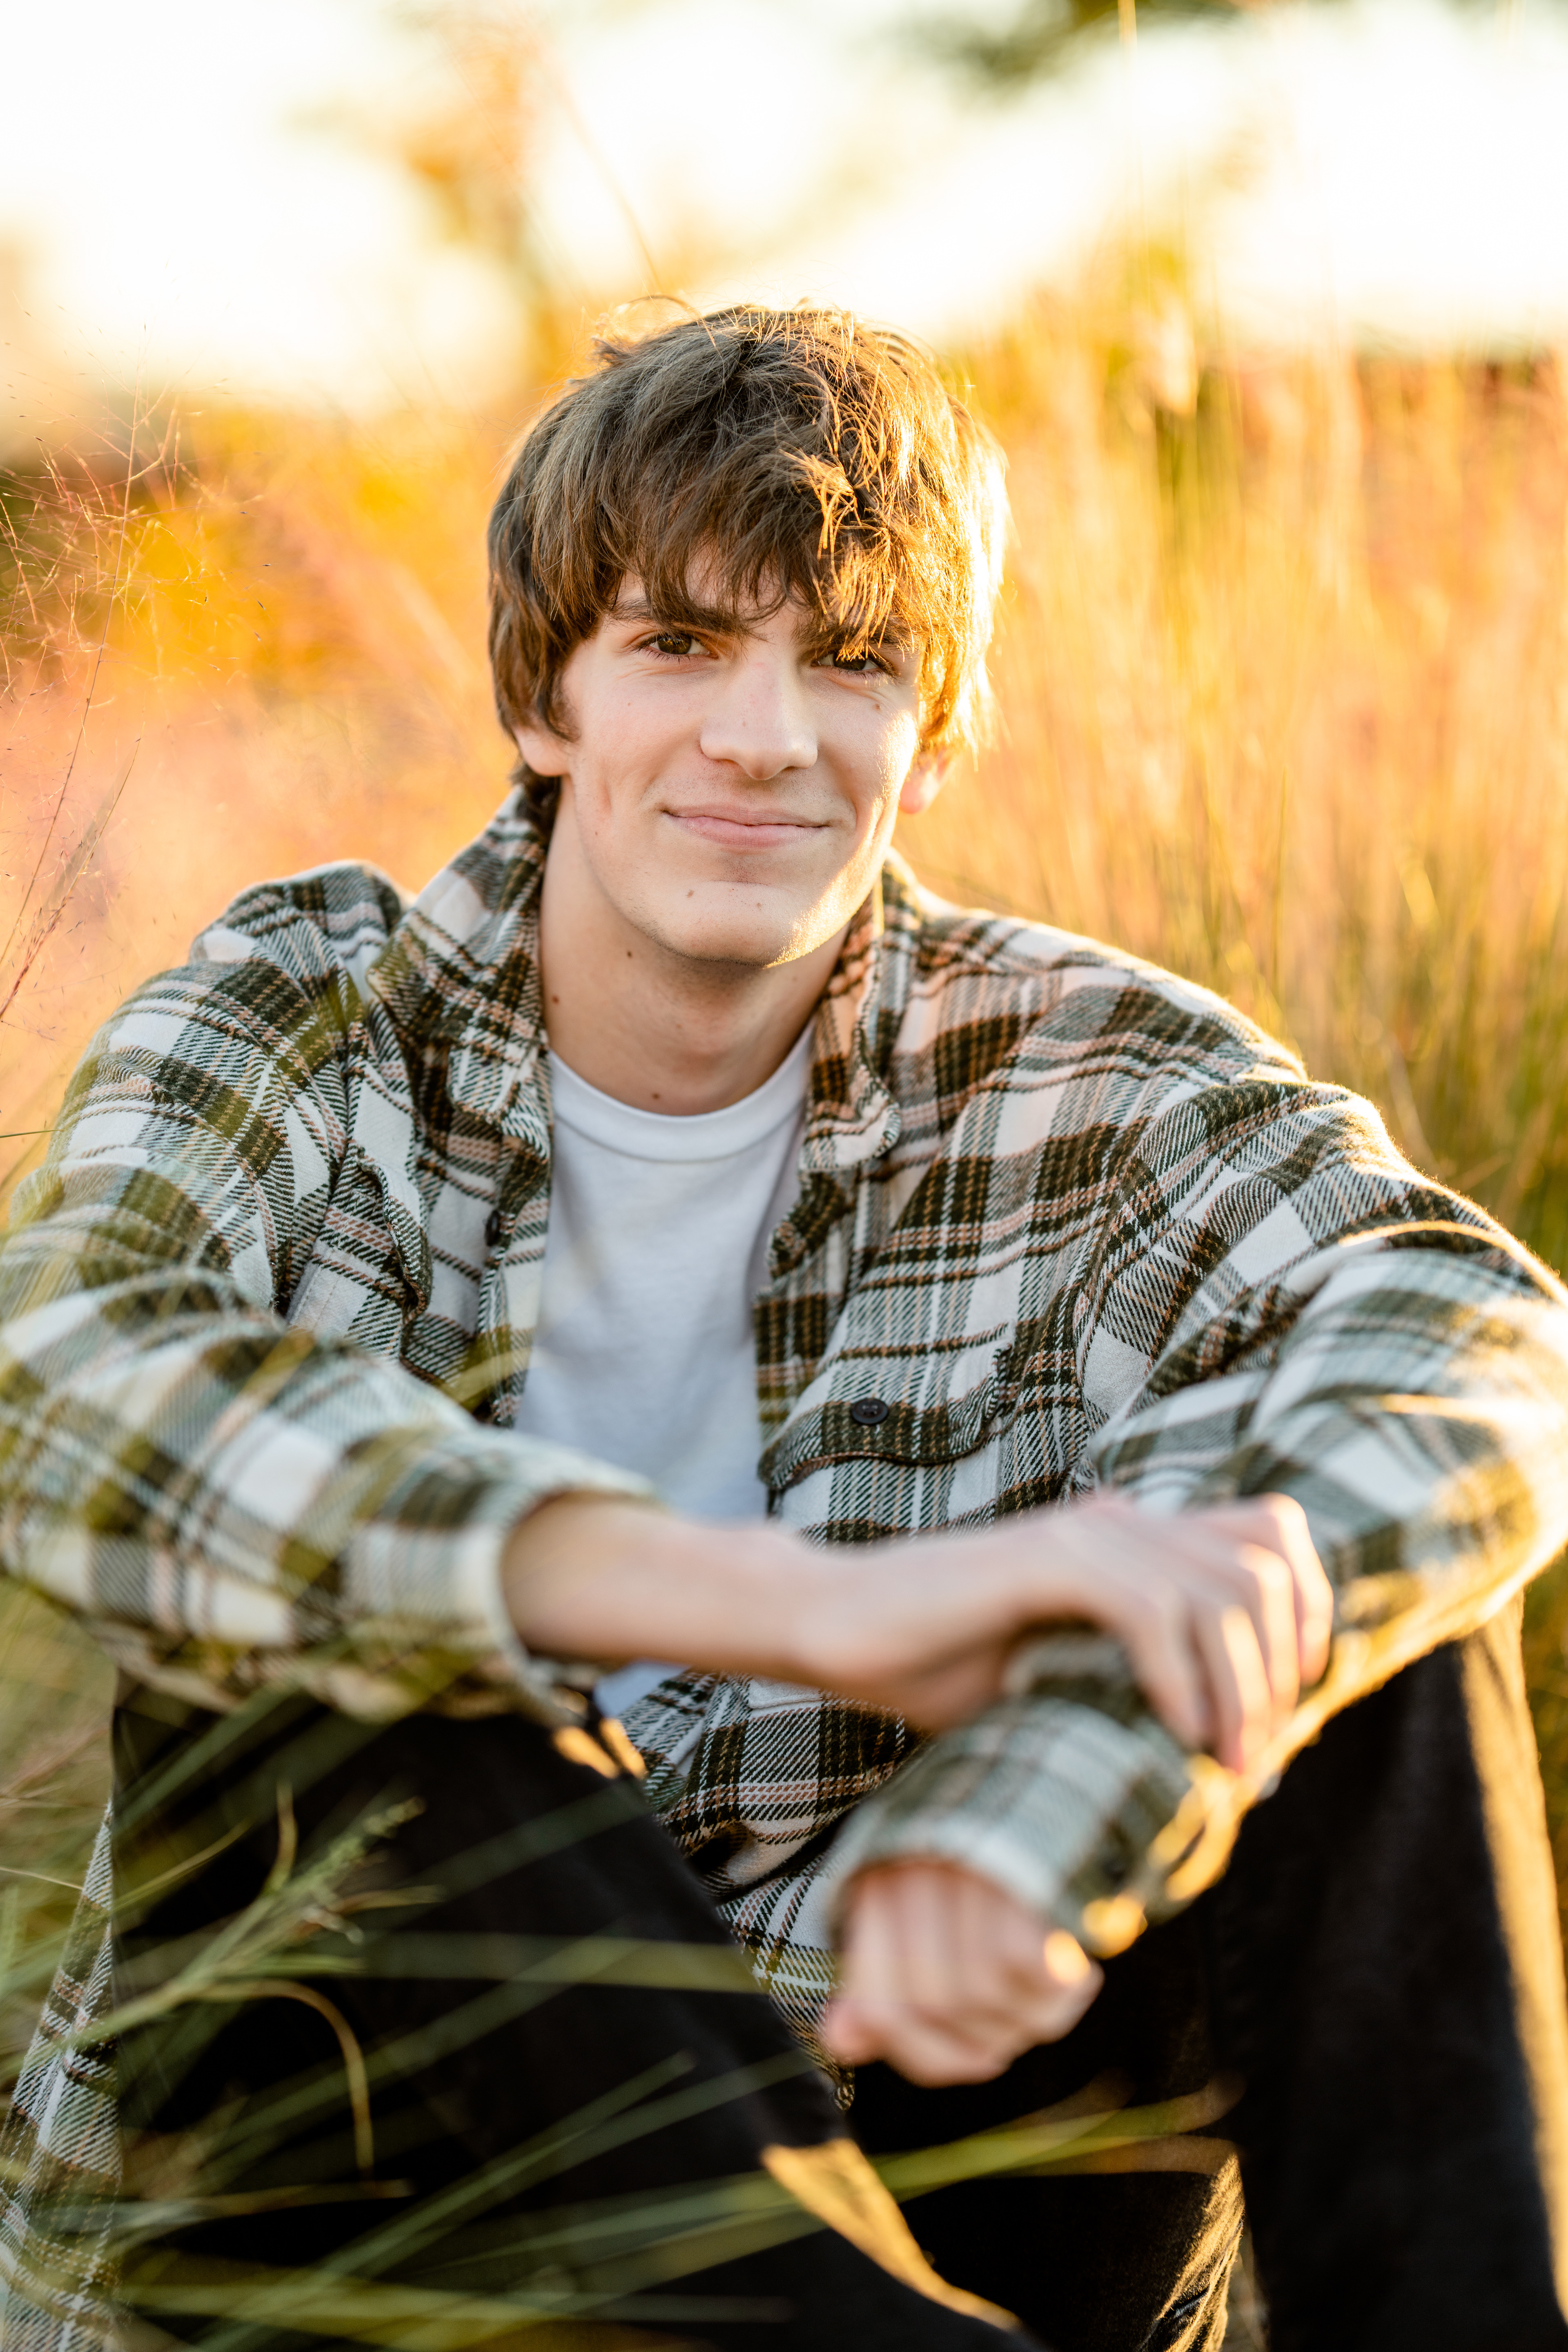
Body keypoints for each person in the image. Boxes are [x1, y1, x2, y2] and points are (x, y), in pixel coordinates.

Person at [2, 304, 1567, 2352]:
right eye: (678, 644)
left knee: (1355, 1609)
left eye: (849, 662)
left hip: (932, 2114)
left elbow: (1474, 1335)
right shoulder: (305, 1024)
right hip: (392, 2204)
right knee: (337, 1664)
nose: (764, 736)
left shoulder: (1085, 1078)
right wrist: (797, 1609)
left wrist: (1048, 1806)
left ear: (936, 730)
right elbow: (64, 1392)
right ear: (545, 697)